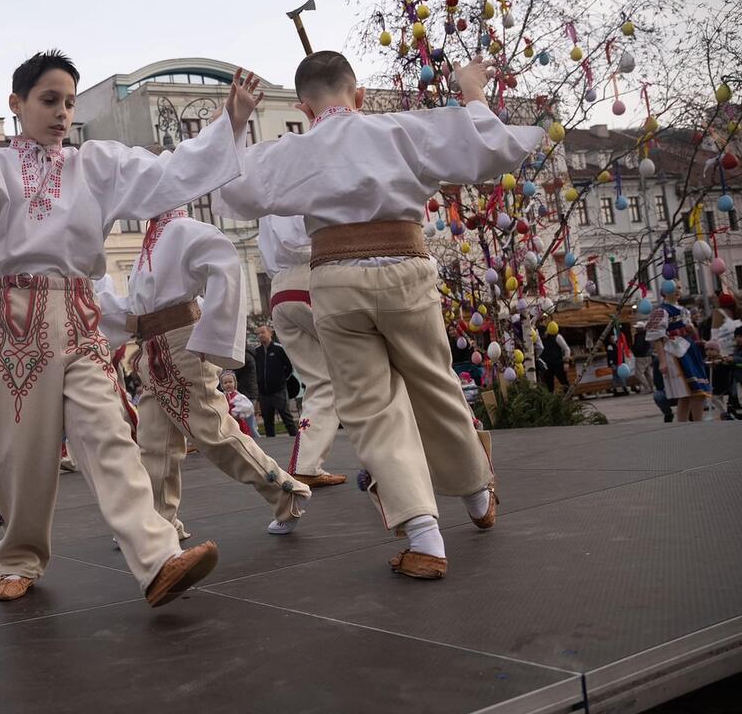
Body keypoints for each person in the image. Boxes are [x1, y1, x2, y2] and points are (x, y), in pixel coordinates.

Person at [0, 50, 262, 605]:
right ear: (17, 104)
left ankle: (157, 558)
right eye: (49, 101)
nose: (62, 113)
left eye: (70, 102)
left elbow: (166, 172)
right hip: (16, 317)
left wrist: (230, 123)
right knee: (21, 450)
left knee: (110, 434)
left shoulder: (95, 164)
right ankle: (20, 557)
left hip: (77, 311)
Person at [213, 50, 543, 579]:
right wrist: (471, 90)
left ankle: (425, 537)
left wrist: (234, 123)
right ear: (358, 94)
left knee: (371, 406)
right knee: (436, 385)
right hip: (405, 268)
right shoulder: (399, 130)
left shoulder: (291, 151)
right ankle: (478, 498)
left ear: (303, 106)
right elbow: (491, 149)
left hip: (335, 280)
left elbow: (231, 188)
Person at [98, 209, 311, 538]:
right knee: (155, 444)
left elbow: (225, 267)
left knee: (213, 432)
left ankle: (284, 491)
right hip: (154, 347)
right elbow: (140, 304)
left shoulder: (184, 229)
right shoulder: (152, 241)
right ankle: (157, 523)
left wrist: (210, 338)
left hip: (179, 342)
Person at [258, 215, 346, 486]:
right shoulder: (301, 179)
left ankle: (306, 464)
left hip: (279, 292)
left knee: (322, 381)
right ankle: (386, 461)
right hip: (312, 276)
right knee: (361, 366)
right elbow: (304, 238)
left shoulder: (267, 198)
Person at [646, 285, 711, 423]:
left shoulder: (684, 310)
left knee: (687, 394)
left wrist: (692, 330)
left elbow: (692, 332)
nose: (677, 291)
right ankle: (695, 425)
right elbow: (657, 337)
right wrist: (662, 360)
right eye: (674, 288)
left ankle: (684, 425)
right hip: (675, 352)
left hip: (689, 349)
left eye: (679, 288)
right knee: (692, 392)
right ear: (664, 291)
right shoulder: (661, 311)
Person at [254, 324, 297, 437]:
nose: (260, 335)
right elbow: (256, 371)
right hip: (264, 394)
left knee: (287, 419)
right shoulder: (256, 352)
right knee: (268, 422)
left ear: (270, 333)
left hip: (279, 391)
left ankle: (297, 440)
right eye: (258, 333)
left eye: (263, 332)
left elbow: (289, 367)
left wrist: (281, 380)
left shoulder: (279, 349)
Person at [536, 326, 572, 393]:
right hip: (546, 366)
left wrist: (566, 362)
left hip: (558, 363)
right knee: (549, 385)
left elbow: (567, 349)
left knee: (564, 382)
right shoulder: (539, 340)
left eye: (544, 334)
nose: (543, 336)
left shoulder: (557, 337)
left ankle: (569, 397)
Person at [220, 371, 255, 437]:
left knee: (241, 436)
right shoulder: (222, 396)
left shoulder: (238, 396)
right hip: (227, 422)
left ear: (235, 383)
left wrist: (235, 413)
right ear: (222, 385)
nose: (228, 384)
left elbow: (247, 406)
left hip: (238, 421)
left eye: (230, 382)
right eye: (225, 383)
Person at [631, 321, 654, 393]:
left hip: (641, 356)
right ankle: (652, 387)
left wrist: (633, 349)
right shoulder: (648, 334)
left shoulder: (639, 336)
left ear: (640, 329)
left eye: (637, 328)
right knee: (647, 373)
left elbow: (638, 346)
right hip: (648, 355)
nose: (636, 329)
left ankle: (647, 387)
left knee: (638, 374)